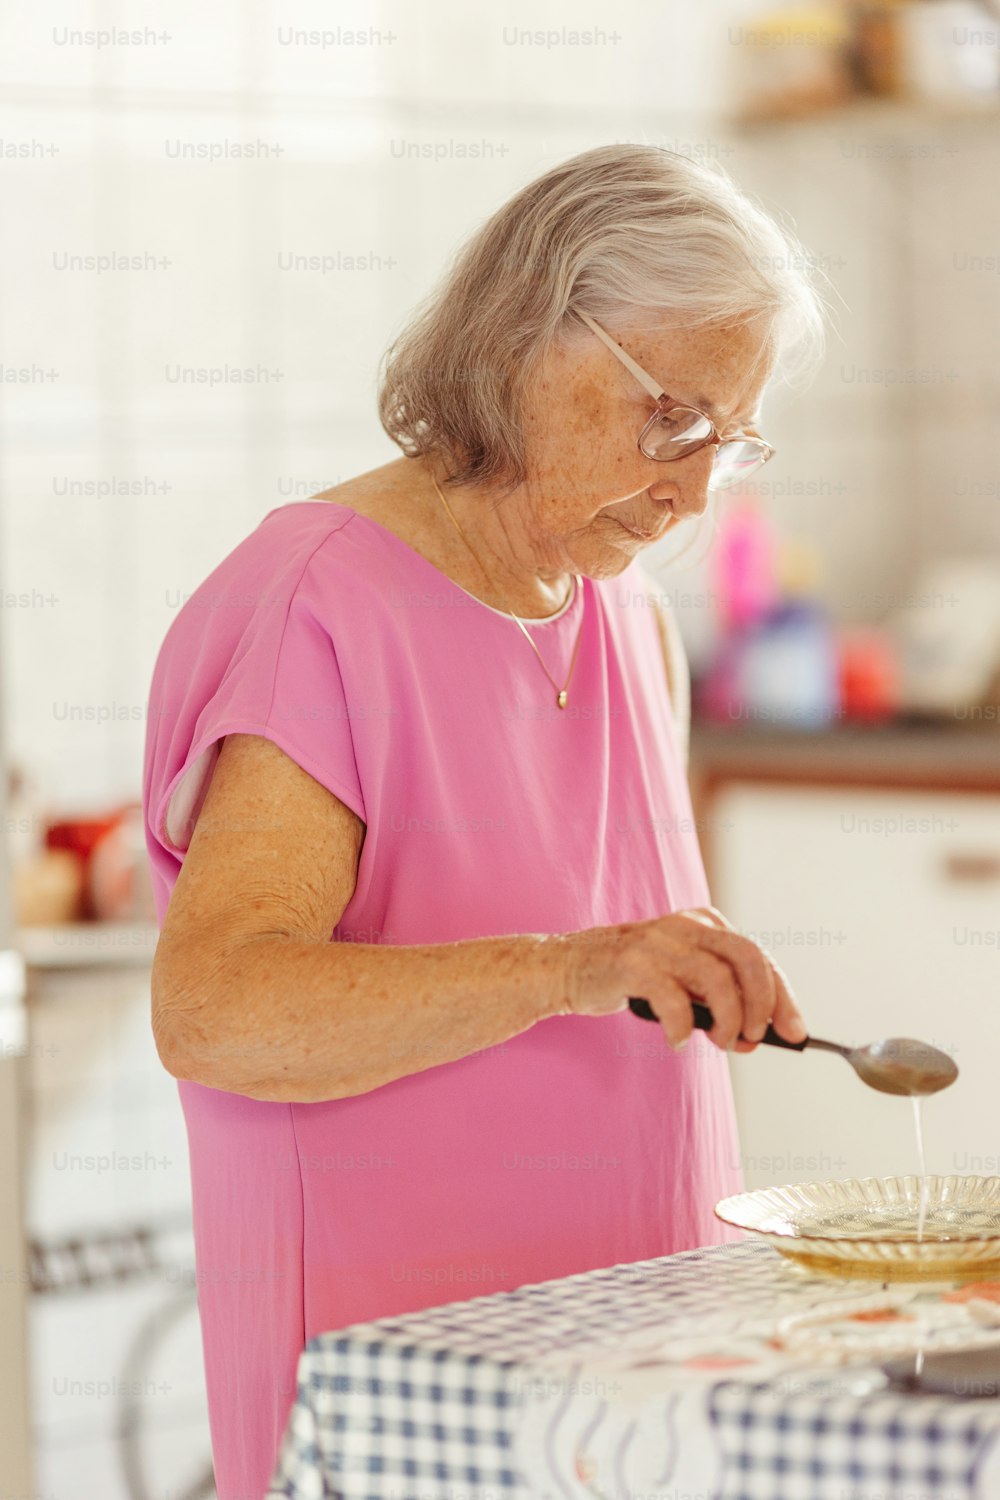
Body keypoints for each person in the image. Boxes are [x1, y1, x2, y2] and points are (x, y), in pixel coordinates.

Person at [142, 142, 822, 1500]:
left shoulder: (625, 609)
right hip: (402, 1375)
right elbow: (214, 1009)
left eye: (729, 440)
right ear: (523, 341)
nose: (694, 490)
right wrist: (573, 966)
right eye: (671, 417)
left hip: (639, 1354)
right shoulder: (321, 606)